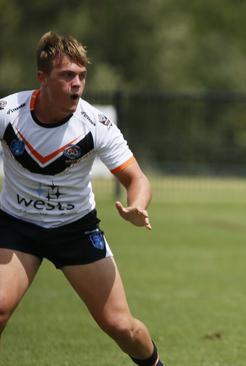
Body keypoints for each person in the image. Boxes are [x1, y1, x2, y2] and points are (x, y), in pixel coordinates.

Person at [0, 32, 163, 366]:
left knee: (121, 327)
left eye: (81, 76)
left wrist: (138, 205)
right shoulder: (7, 112)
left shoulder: (95, 125)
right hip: (17, 227)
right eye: (67, 76)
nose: (77, 84)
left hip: (74, 229)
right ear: (42, 78)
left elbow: (137, 178)